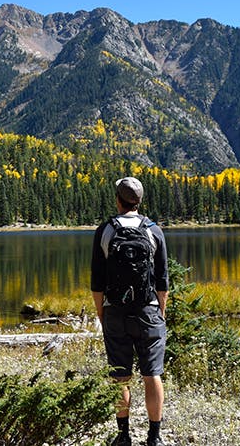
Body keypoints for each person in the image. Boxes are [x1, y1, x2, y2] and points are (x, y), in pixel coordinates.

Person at [91, 176, 169, 446]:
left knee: (120, 375)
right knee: (152, 374)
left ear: (118, 200)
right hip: (148, 311)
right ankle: (154, 437)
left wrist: (102, 313)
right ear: (139, 201)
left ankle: (123, 436)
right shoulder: (153, 230)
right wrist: (160, 312)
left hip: (116, 312)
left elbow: (97, 282)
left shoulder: (106, 230)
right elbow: (163, 281)